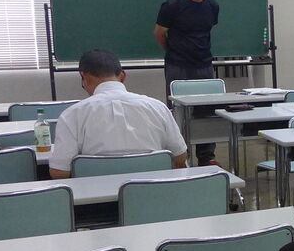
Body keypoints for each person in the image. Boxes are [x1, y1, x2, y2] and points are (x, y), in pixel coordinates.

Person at [47, 49, 188, 179]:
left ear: (84, 77)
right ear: (123, 76)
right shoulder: (158, 107)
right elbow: (180, 157)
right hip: (152, 194)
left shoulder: (71, 115)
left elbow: (60, 172)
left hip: (95, 197)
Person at [154, 0, 219, 165]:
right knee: (178, 113)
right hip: (178, 65)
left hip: (204, 64)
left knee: (206, 112)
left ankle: (206, 157)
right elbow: (159, 33)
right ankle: (181, 156)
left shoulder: (212, 5)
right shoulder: (172, 6)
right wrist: (174, 51)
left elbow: (207, 31)